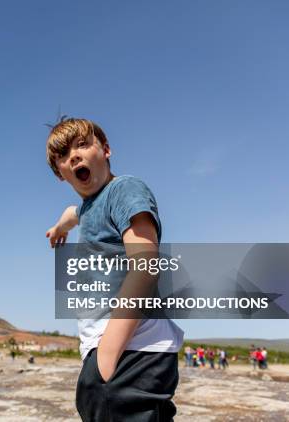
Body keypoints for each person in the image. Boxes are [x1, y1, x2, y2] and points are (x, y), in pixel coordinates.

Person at [45, 118, 183, 421]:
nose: (74, 156)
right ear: (60, 174)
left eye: (82, 144)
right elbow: (73, 214)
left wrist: (107, 353)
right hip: (123, 349)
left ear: (105, 149)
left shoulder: (123, 189)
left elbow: (146, 266)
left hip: (131, 346)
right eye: (64, 156)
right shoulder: (87, 206)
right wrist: (58, 228)